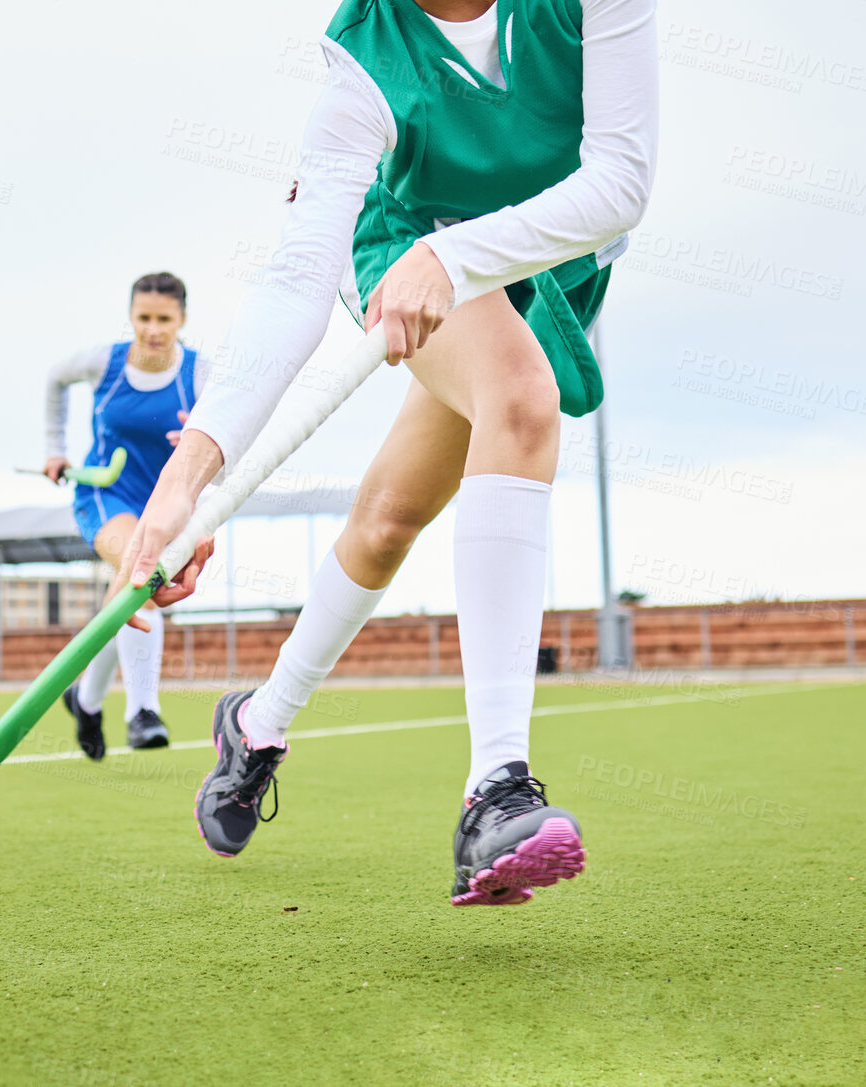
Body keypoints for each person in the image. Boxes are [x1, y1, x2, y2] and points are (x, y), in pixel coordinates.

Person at [115, 0, 657, 904]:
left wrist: (459, 256)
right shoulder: (361, 61)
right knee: (522, 401)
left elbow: (622, 183)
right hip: (405, 251)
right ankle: (498, 788)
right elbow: (295, 282)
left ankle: (255, 723)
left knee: (387, 519)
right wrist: (185, 484)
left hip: (543, 263)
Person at [43, 273, 206, 757]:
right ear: (132, 316)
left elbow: (229, 433)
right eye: (144, 318)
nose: (153, 329)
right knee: (142, 574)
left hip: (165, 502)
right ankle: (142, 712)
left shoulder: (200, 373)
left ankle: (87, 699)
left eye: (164, 319)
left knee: (129, 590)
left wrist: (199, 437)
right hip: (107, 496)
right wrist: (54, 449)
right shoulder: (103, 362)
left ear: (182, 320)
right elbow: (54, 378)